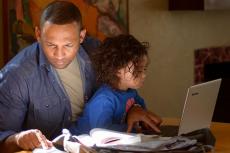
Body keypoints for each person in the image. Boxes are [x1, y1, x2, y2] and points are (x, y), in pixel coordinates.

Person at [0, 1, 99, 152]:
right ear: (38, 34)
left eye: (68, 45)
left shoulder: (97, 52)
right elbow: (2, 139)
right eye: (51, 45)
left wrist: (134, 108)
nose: (59, 55)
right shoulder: (15, 76)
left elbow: (124, 88)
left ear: (81, 36)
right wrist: (18, 139)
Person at [70, 34, 162, 135]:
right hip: (79, 142)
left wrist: (146, 121)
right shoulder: (104, 99)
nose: (144, 75)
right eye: (138, 70)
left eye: (144, 69)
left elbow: (141, 110)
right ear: (117, 70)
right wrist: (133, 129)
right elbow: (101, 131)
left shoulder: (131, 93)